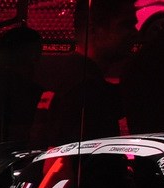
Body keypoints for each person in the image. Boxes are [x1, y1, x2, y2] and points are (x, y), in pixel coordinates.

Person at [29, 0, 136, 147]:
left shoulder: (67, 75)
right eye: (126, 25)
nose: (135, 33)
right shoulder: (86, 89)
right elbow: (71, 157)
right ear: (93, 30)